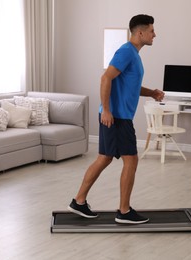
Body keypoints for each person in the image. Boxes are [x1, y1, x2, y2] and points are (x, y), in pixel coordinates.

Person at [68, 14, 164, 224]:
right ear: (140, 32)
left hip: (118, 116)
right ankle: (124, 211)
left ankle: (79, 201)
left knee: (104, 157)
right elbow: (106, 78)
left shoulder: (133, 55)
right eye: (151, 31)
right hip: (117, 117)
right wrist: (107, 111)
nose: (154, 34)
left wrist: (152, 93)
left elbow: (129, 86)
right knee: (131, 160)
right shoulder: (126, 52)